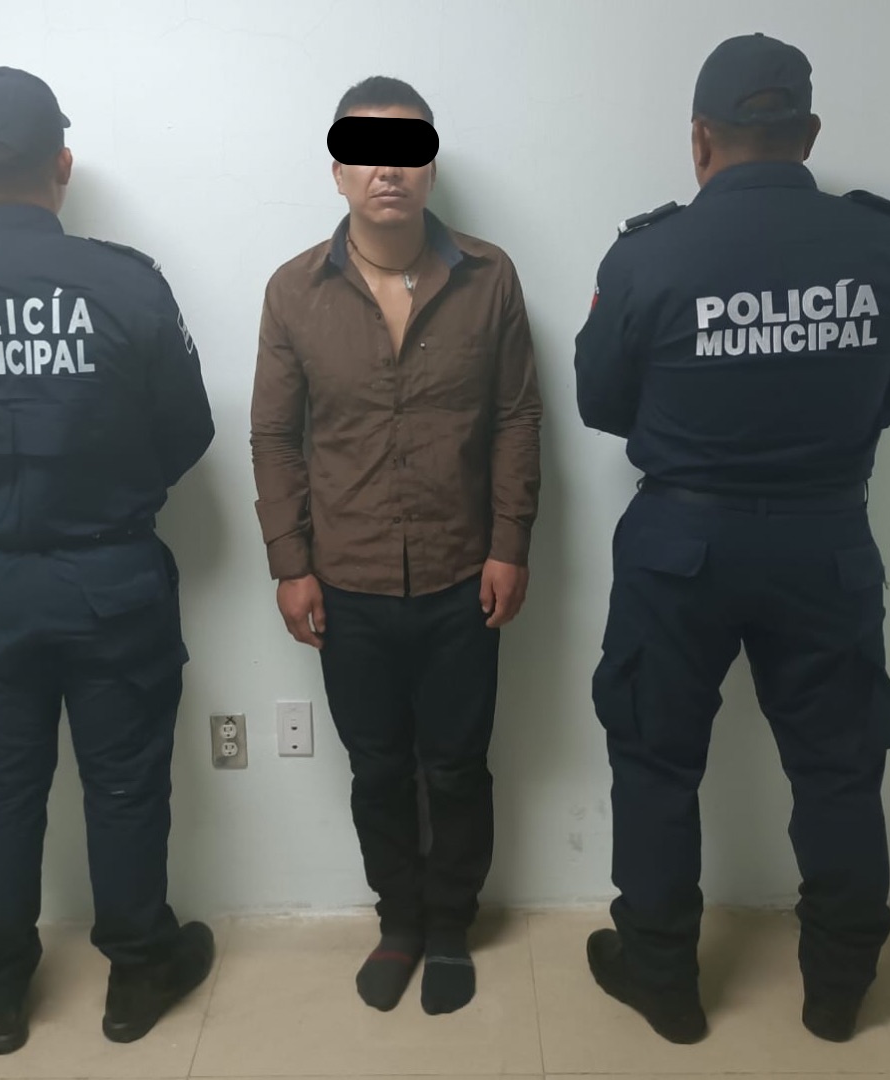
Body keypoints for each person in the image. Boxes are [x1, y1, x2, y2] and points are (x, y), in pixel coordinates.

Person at [574, 33, 890, 1046]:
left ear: (700, 138)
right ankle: (838, 990)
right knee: (839, 767)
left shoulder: (648, 254)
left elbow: (601, 403)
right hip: (826, 540)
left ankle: (663, 980)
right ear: (809, 134)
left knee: (656, 763)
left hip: (679, 546)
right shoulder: (888, 248)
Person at [0, 67, 217, 1055]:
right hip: (111, 580)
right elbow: (187, 433)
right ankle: (138, 973)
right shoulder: (127, 284)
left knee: (2, 788)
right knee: (125, 783)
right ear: (61, 163)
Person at [251, 76, 541, 1015]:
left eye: (408, 148)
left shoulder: (490, 277)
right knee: (377, 768)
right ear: (338, 170)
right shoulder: (294, 292)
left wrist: (510, 543)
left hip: (464, 573)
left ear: (429, 166)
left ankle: (451, 923)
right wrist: (291, 563)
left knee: (457, 765)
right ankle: (400, 922)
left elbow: (516, 416)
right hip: (348, 581)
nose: (388, 168)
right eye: (366, 150)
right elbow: (274, 436)